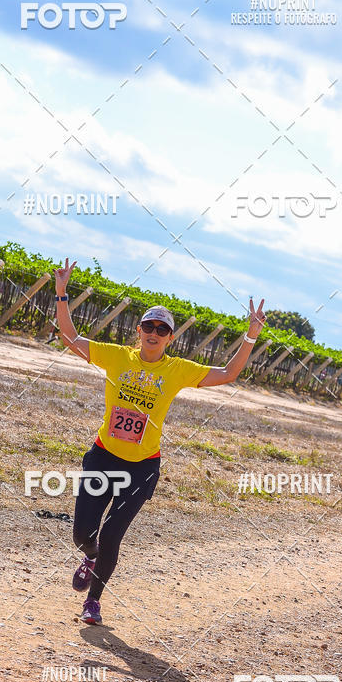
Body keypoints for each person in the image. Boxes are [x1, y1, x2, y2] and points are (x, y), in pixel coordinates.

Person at [54, 258, 266, 624]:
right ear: (138, 331)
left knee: (112, 534)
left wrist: (250, 336)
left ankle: (94, 601)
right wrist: (61, 295)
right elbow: (70, 339)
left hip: (142, 468)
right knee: (83, 534)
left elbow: (230, 373)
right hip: (103, 456)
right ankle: (88, 556)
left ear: (170, 337)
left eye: (162, 329)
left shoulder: (178, 369)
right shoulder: (117, 356)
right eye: (148, 325)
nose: (153, 332)